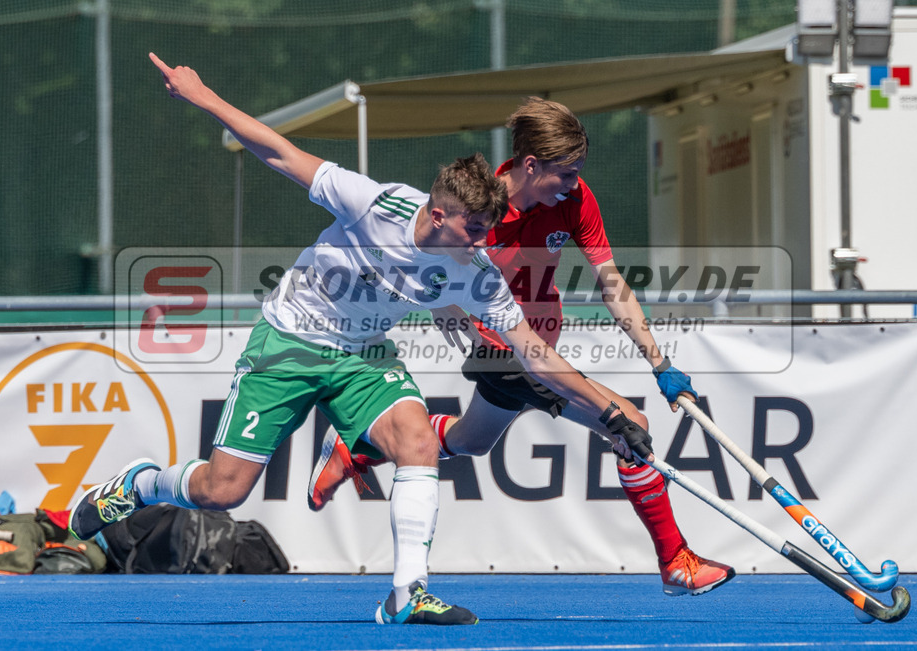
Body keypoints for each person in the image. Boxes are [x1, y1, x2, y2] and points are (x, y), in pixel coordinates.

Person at [69, 57, 657, 626]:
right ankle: (139, 484)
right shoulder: (371, 203)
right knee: (221, 491)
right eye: (475, 230)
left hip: (364, 357)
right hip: (290, 342)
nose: (484, 243)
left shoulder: (476, 273)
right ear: (438, 214)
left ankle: (407, 594)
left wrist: (609, 412)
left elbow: (534, 352)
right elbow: (278, 151)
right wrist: (203, 97)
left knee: (418, 443)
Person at [308, 96, 735, 597]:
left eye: (578, 172)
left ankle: (359, 448)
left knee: (472, 440)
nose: (574, 183)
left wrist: (660, 364)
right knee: (629, 424)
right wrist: (451, 315)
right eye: (566, 173)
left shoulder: (574, 199)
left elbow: (611, 282)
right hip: (501, 351)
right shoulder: (479, 209)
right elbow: (426, 264)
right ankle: (675, 561)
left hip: (541, 346)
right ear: (531, 166)